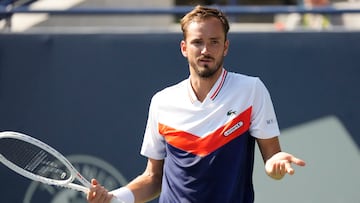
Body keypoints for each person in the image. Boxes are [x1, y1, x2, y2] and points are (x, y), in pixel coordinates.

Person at [87, 5, 306, 203]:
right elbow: (154, 178)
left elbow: (272, 159)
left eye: (214, 42)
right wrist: (115, 197)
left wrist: (276, 164)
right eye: (197, 42)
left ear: (225, 47)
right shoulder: (162, 101)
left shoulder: (251, 90)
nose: (205, 50)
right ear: (184, 48)